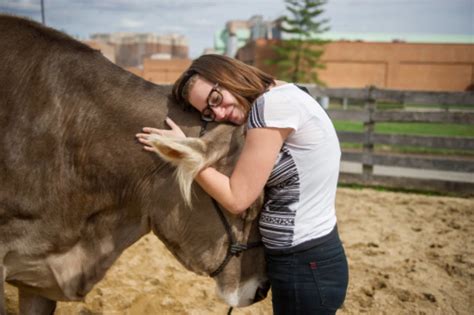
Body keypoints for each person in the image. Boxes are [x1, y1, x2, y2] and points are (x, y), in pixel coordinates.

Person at [136, 54, 349, 314]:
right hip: (309, 259)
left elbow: (237, 198)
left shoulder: (271, 107)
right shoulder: (286, 94)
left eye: (215, 99)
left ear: (228, 75)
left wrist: (185, 154)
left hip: (305, 264)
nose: (220, 113)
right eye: (209, 112)